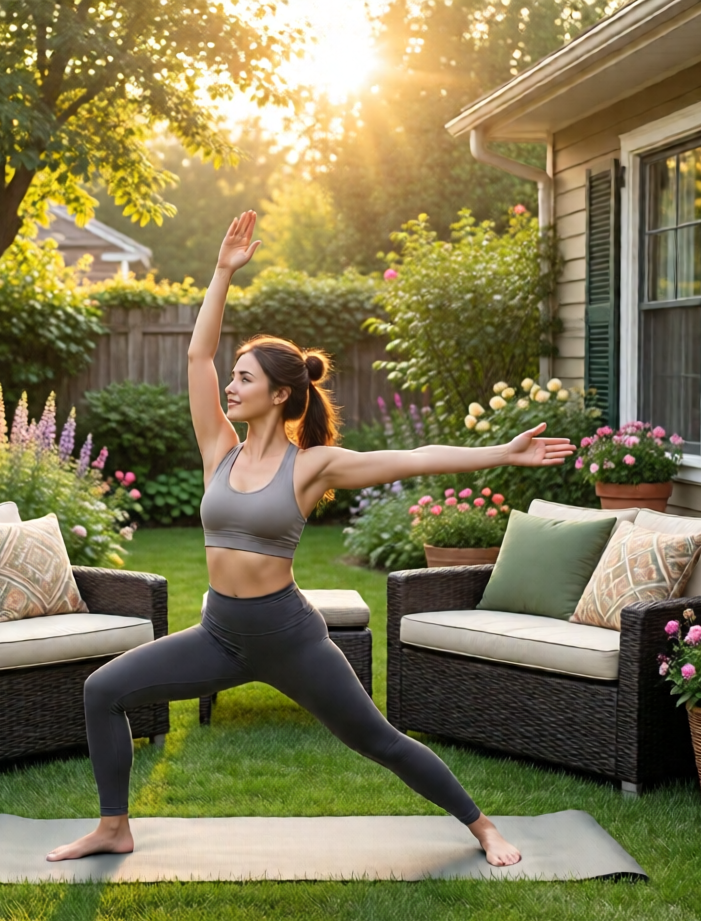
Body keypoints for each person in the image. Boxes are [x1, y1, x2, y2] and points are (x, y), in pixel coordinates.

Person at [47, 211, 576, 867]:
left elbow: (414, 458)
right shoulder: (220, 448)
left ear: (280, 393)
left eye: (245, 378)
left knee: (378, 740)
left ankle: (483, 826)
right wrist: (221, 272)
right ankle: (113, 826)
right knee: (104, 690)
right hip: (219, 633)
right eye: (233, 376)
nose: (232, 386)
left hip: (290, 637)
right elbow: (194, 357)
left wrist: (502, 449)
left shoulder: (313, 466)